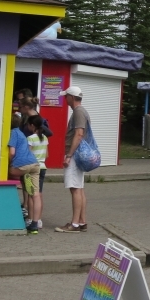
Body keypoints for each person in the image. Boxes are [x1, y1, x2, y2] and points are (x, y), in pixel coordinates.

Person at [55, 86, 91, 233]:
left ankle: (74, 224)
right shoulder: (81, 111)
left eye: (66, 96)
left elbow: (79, 134)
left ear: (71, 97)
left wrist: (69, 155)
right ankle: (82, 222)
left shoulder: (78, 112)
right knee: (79, 188)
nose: (65, 99)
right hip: (78, 154)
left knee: (75, 189)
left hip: (75, 155)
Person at [8, 115, 42, 233]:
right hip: (34, 165)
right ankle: (34, 224)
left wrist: (9, 164)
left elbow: (12, 152)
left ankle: (19, 209)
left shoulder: (13, 133)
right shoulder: (22, 133)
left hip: (22, 166)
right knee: (35, 194)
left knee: (7, 173)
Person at [25, 114, 49, 232]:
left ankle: (30, 219)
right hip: (43, 167)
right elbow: (47, 155)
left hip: (33, 168)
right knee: (39, 194)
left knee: (31, 194)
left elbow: (27, 154)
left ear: (32, 125)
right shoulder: (45, 138)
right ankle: (38, 219)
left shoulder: (30, 138)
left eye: (28, 125)